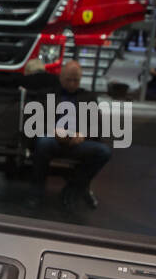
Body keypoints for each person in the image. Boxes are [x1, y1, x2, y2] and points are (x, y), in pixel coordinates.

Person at [26, 60, 112, 211]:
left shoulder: (88, 97)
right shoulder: (47, 95)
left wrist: (83, 135)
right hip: (53, 140)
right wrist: (54, 131)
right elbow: (34, 123)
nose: (72, 83)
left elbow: (98, 127)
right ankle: (36, 192)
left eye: (76, 80)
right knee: (43, 143)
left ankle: (74, 188)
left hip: (78, 142)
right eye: (69, 80)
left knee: (104, 152)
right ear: (60, 78)